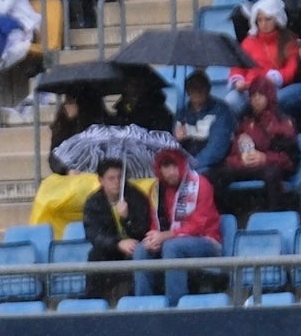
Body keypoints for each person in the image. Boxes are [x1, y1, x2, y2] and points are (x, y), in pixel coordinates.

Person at [134, 147, 223, 307]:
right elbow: (155, 223)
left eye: (174, 165)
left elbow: (198, 226)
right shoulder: (156, 190)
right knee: (142, 249)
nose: (170, 172)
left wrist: (165, 236)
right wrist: (153, 239)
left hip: (205, 241)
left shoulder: (200, 184)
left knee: (172, 247)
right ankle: (143, 305)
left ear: (182, 164)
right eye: (166, 167)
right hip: (170, 240)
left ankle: (175, 306)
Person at [81, 156, 152, 300]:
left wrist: (127, 218)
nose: (117, 182)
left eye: (120, 177)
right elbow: (94, 235)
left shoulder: (137, 196)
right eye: (111, 178)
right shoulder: (94, 202)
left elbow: (143, 229)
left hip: (136, 246)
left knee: (141, 253)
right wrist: (117, 243)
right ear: (101, 180)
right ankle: (93, 300)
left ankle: (136, 299)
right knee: (95, 255)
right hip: (111, 249)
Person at [220, 81, 299, 209]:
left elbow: (291, 160)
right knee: (216, 174)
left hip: (269, 168)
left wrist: (265, 158)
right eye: (253, 95)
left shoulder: (282, 122)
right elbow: (229, 157)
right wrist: (241, 158)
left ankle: (275, 215)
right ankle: (222, 217)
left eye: (260, 95)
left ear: (269, 96)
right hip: (244, 166)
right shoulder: (245, 121)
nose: (256, 99)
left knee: (272, 173)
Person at [229, 0, 300, 116]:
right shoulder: (249, 41)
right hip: (249, 88)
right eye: (260, 20)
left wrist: (275, 78)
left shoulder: (288, 41)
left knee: (276, 100)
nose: (264, 24)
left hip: (273, 87)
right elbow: (238, 66)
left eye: (268, 19)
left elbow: (291, 68)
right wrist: (237, 81)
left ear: (277, 18)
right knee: (231, 101)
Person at [174, 70, 236, 180]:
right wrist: (177, 140)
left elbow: (216, 150)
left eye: (201, 87)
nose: (198, 91)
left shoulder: (221, 111)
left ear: (208, 89)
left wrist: (191, 165)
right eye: (193, 87)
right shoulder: (182, 114)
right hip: (187, 165)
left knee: (200, 178)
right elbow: (171, 147)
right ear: (187, 91)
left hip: (215, 166)